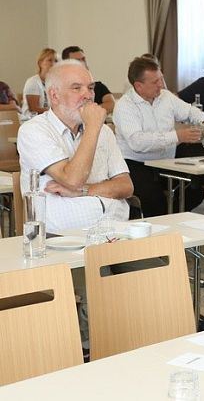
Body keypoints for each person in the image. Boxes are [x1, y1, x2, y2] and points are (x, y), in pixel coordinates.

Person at [17, 59, 134, 354]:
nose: (88, 95)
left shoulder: (104, 133)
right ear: (54, 95)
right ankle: (91, 353)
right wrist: (93, 127)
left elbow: (125, 186)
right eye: (77, 88)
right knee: (102, 296)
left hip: (114, 232)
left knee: (159, 279)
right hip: (62, 239)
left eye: (90, 88)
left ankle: (139, 348)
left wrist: (84, 191)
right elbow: (71, 177)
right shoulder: (34, 131)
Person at [114, 57, 204, 217]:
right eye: (155, 82)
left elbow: (191, 111)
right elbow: (137, 142)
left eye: (161, 79)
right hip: (135, 163)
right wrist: (177, 136)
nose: (160, 84)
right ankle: (161, 220)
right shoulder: (125, 106)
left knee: (195, 191)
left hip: (167, 162)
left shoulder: (166, 97)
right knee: (153, 199)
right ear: (138, 86)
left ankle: (170, 217)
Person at [62, 46, 116, 113]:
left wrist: (88, 112)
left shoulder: (99, 86)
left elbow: (111, 104)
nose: (82, 63)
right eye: (77, 61)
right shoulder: (63, 89)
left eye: (83, 59)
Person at [21, 48, 57, 121]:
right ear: (40, 63)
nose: (53, 63)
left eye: (56, 61)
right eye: (50, 60)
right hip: (32, 120)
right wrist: (57, 112)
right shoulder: (33, 82)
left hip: (49, 118)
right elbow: (34, 109)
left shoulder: (55, 82)